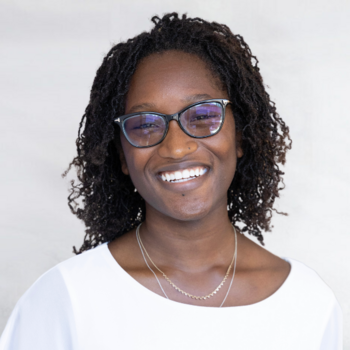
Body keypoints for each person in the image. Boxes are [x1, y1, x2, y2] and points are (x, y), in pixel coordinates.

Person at [0, 13, 342, 350]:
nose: (177, 147)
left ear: (241, 137)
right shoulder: (66, 299)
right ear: (121, 155)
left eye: (204, 116)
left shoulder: (308, 304)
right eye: (145, 124)